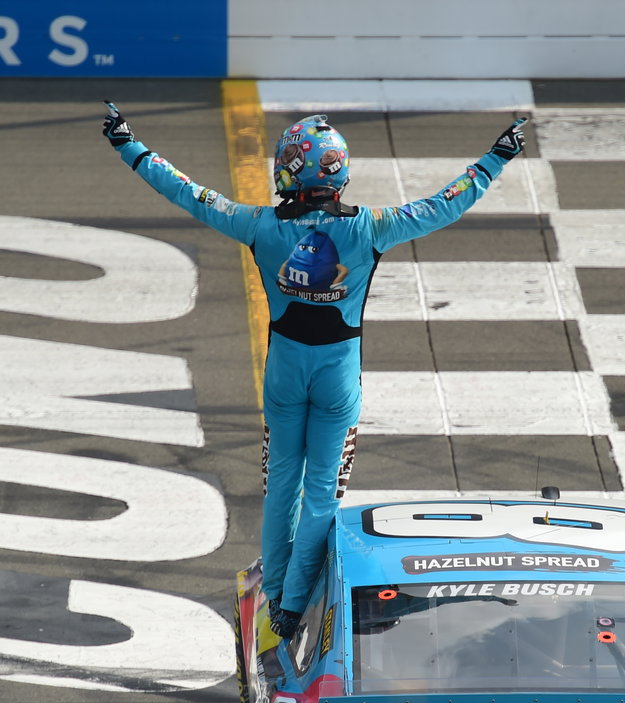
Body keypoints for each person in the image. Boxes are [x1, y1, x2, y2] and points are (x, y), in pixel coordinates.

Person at [102, 104, 526, 637]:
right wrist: (496, 157)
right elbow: (444, 205)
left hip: (283, 367)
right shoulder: (373, 226)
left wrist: (129, 146)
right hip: (339, 372)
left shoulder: (257, 224)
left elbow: (188, 192)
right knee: (323, 491)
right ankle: (294, 605)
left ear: (287, 169)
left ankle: (275, 594)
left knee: (282, 484)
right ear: (340, 173)